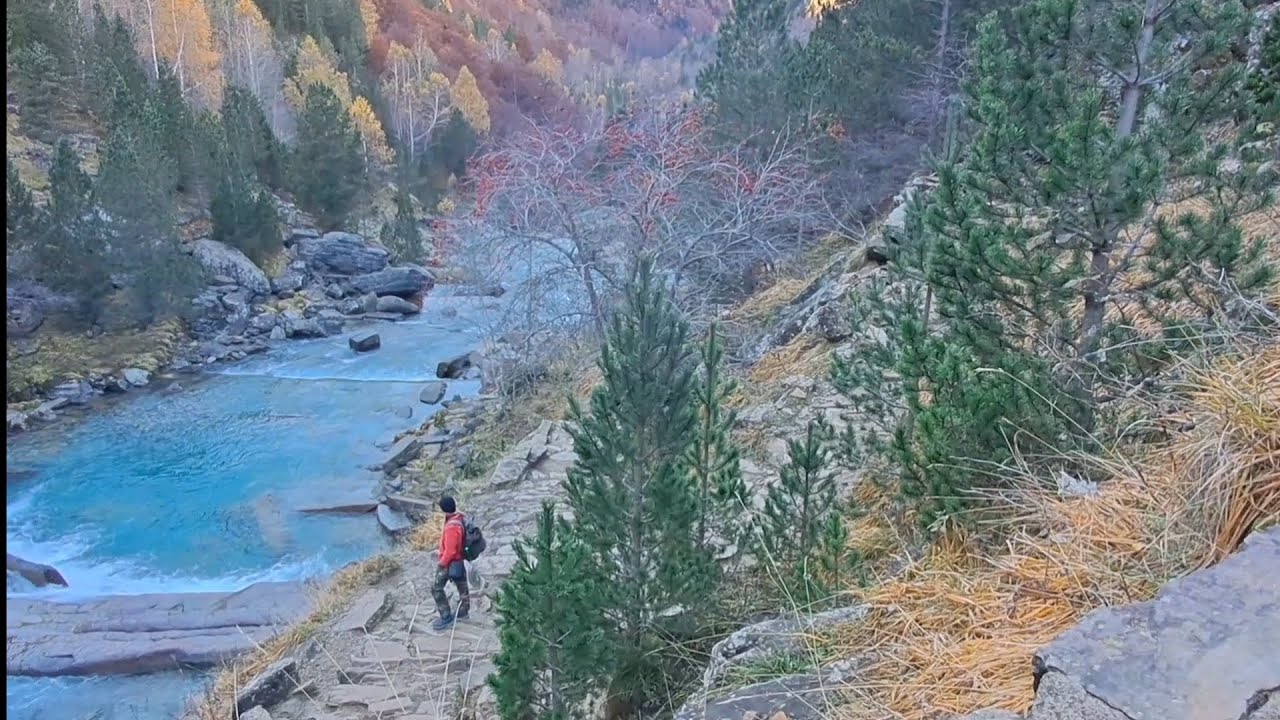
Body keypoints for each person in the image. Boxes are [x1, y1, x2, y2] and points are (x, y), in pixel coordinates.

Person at [431, 495, 470, 630]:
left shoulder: (451, 527)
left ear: (443, 509)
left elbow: (451, 551)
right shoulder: (459, 518)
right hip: (459, 561)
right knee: (462, 585)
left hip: (450, 563)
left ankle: (446, 616)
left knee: (436, 588)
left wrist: (442, 563)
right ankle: (464, 611)